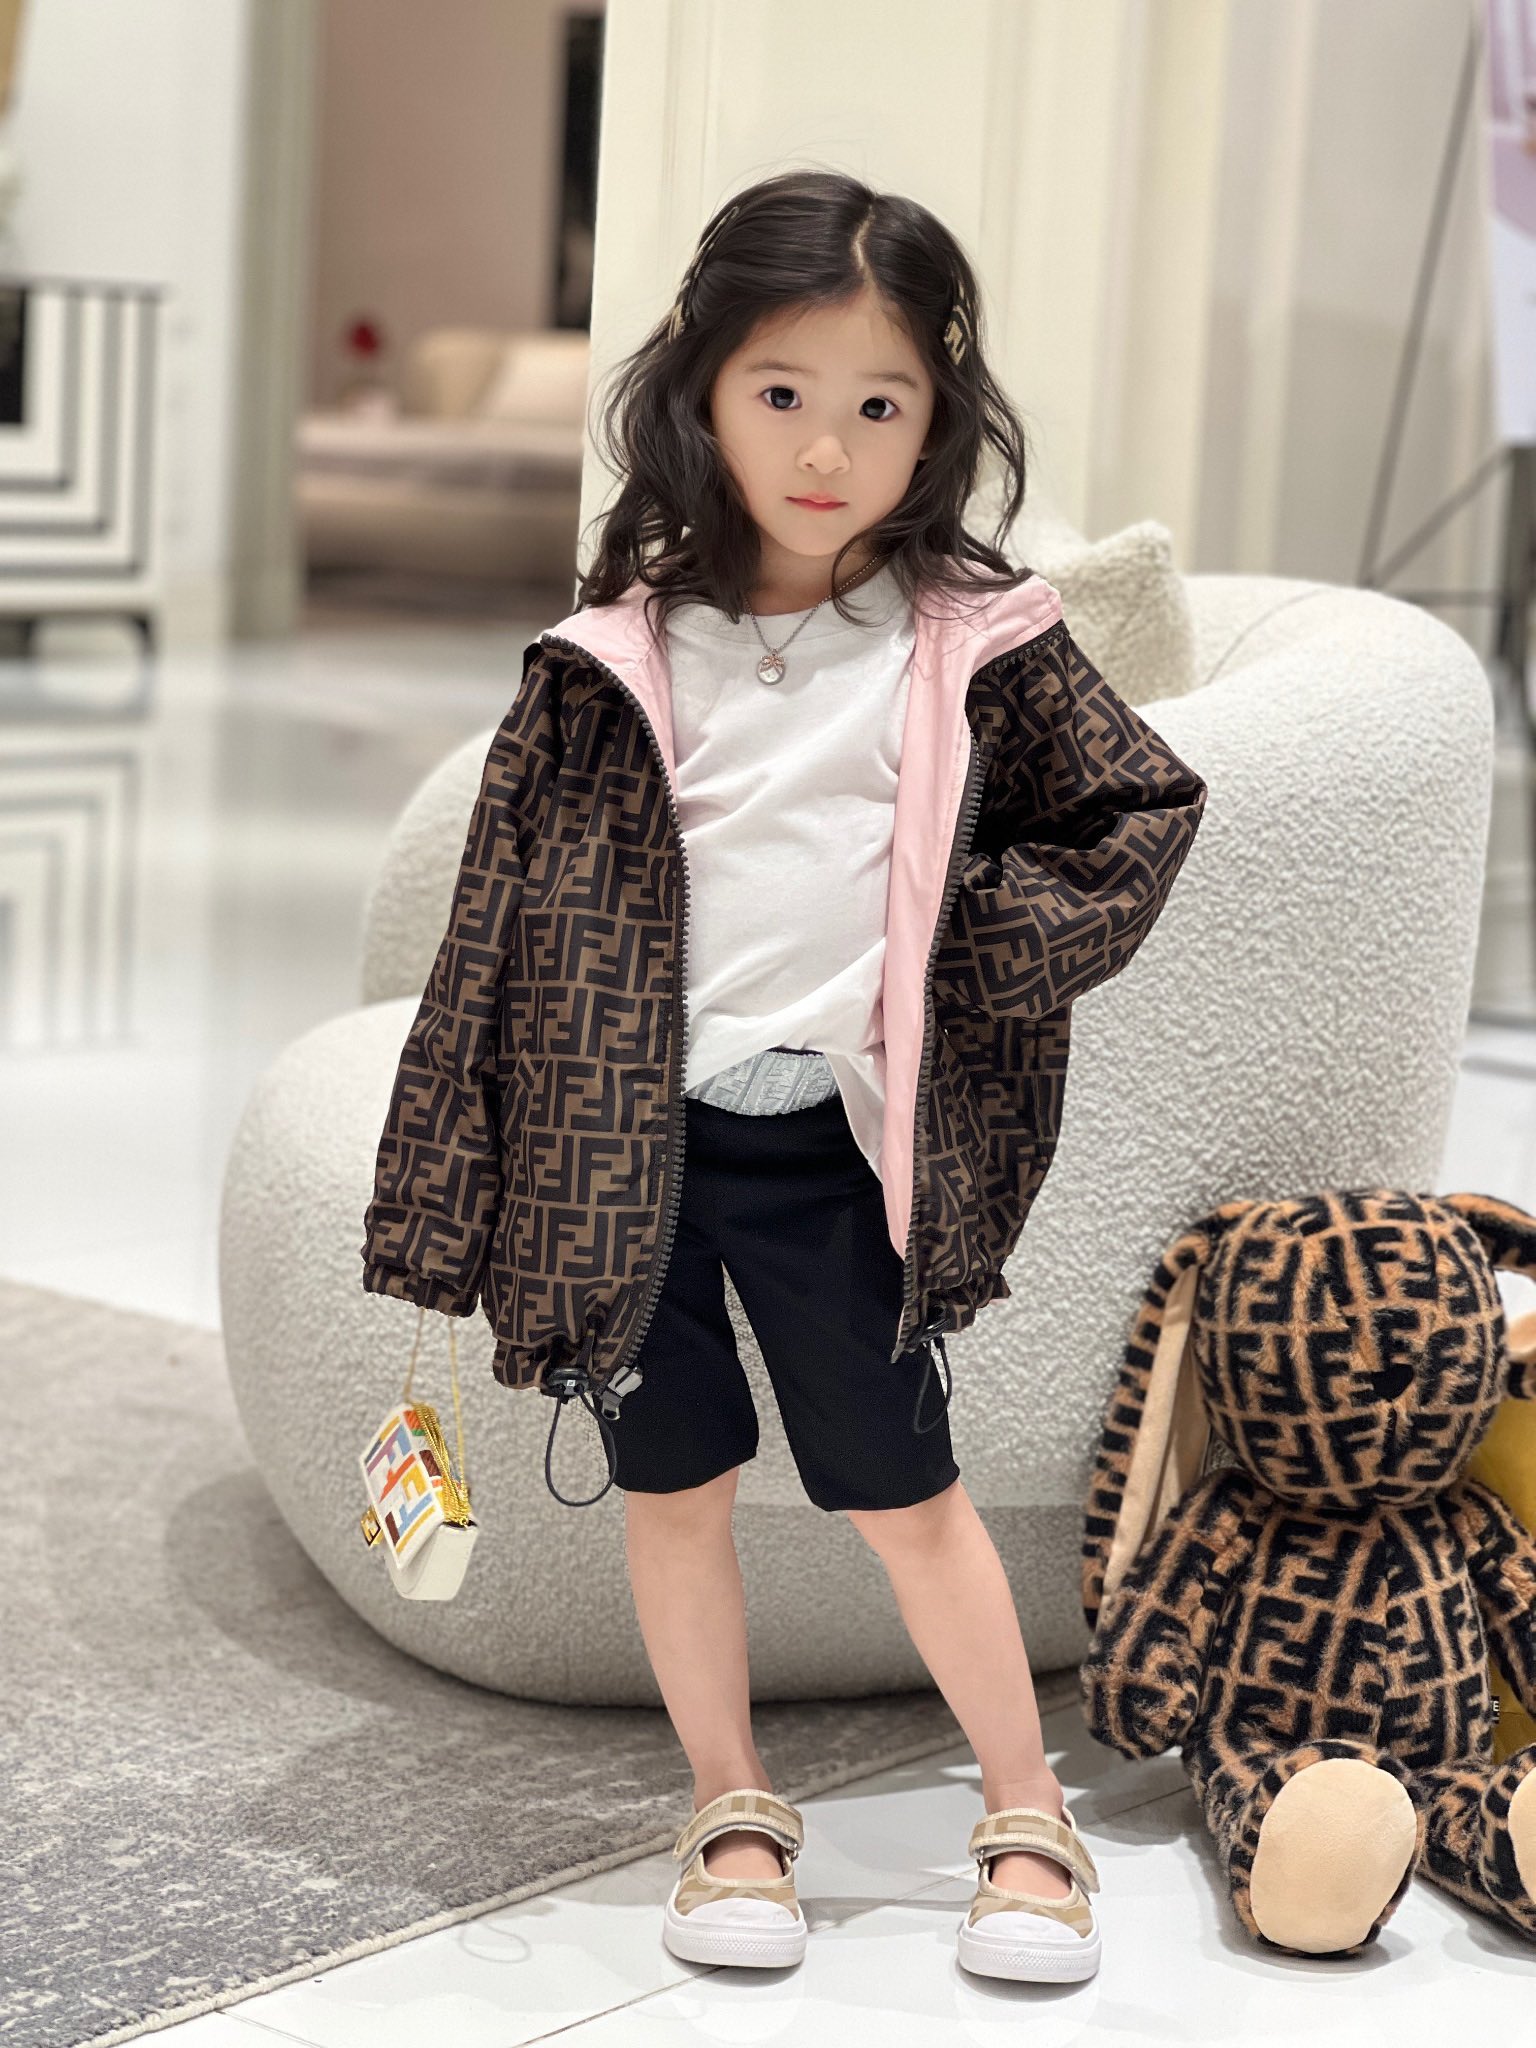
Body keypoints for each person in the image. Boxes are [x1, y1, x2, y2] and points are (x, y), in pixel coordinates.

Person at [361, 167, 1208, 1985]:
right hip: (624, 1157)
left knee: (905, 1496)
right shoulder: (611, 651)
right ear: (702, 389)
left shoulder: (976, 636)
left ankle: (1026, 1813)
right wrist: (445, 1200)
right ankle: (731, 1808)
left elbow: (1138, 813)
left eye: (881, 405)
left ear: (938, 419)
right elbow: (487, 940)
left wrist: (972, 950)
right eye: (783, 394)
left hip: (836, 1148)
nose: (829, 449)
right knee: (671, 1491)